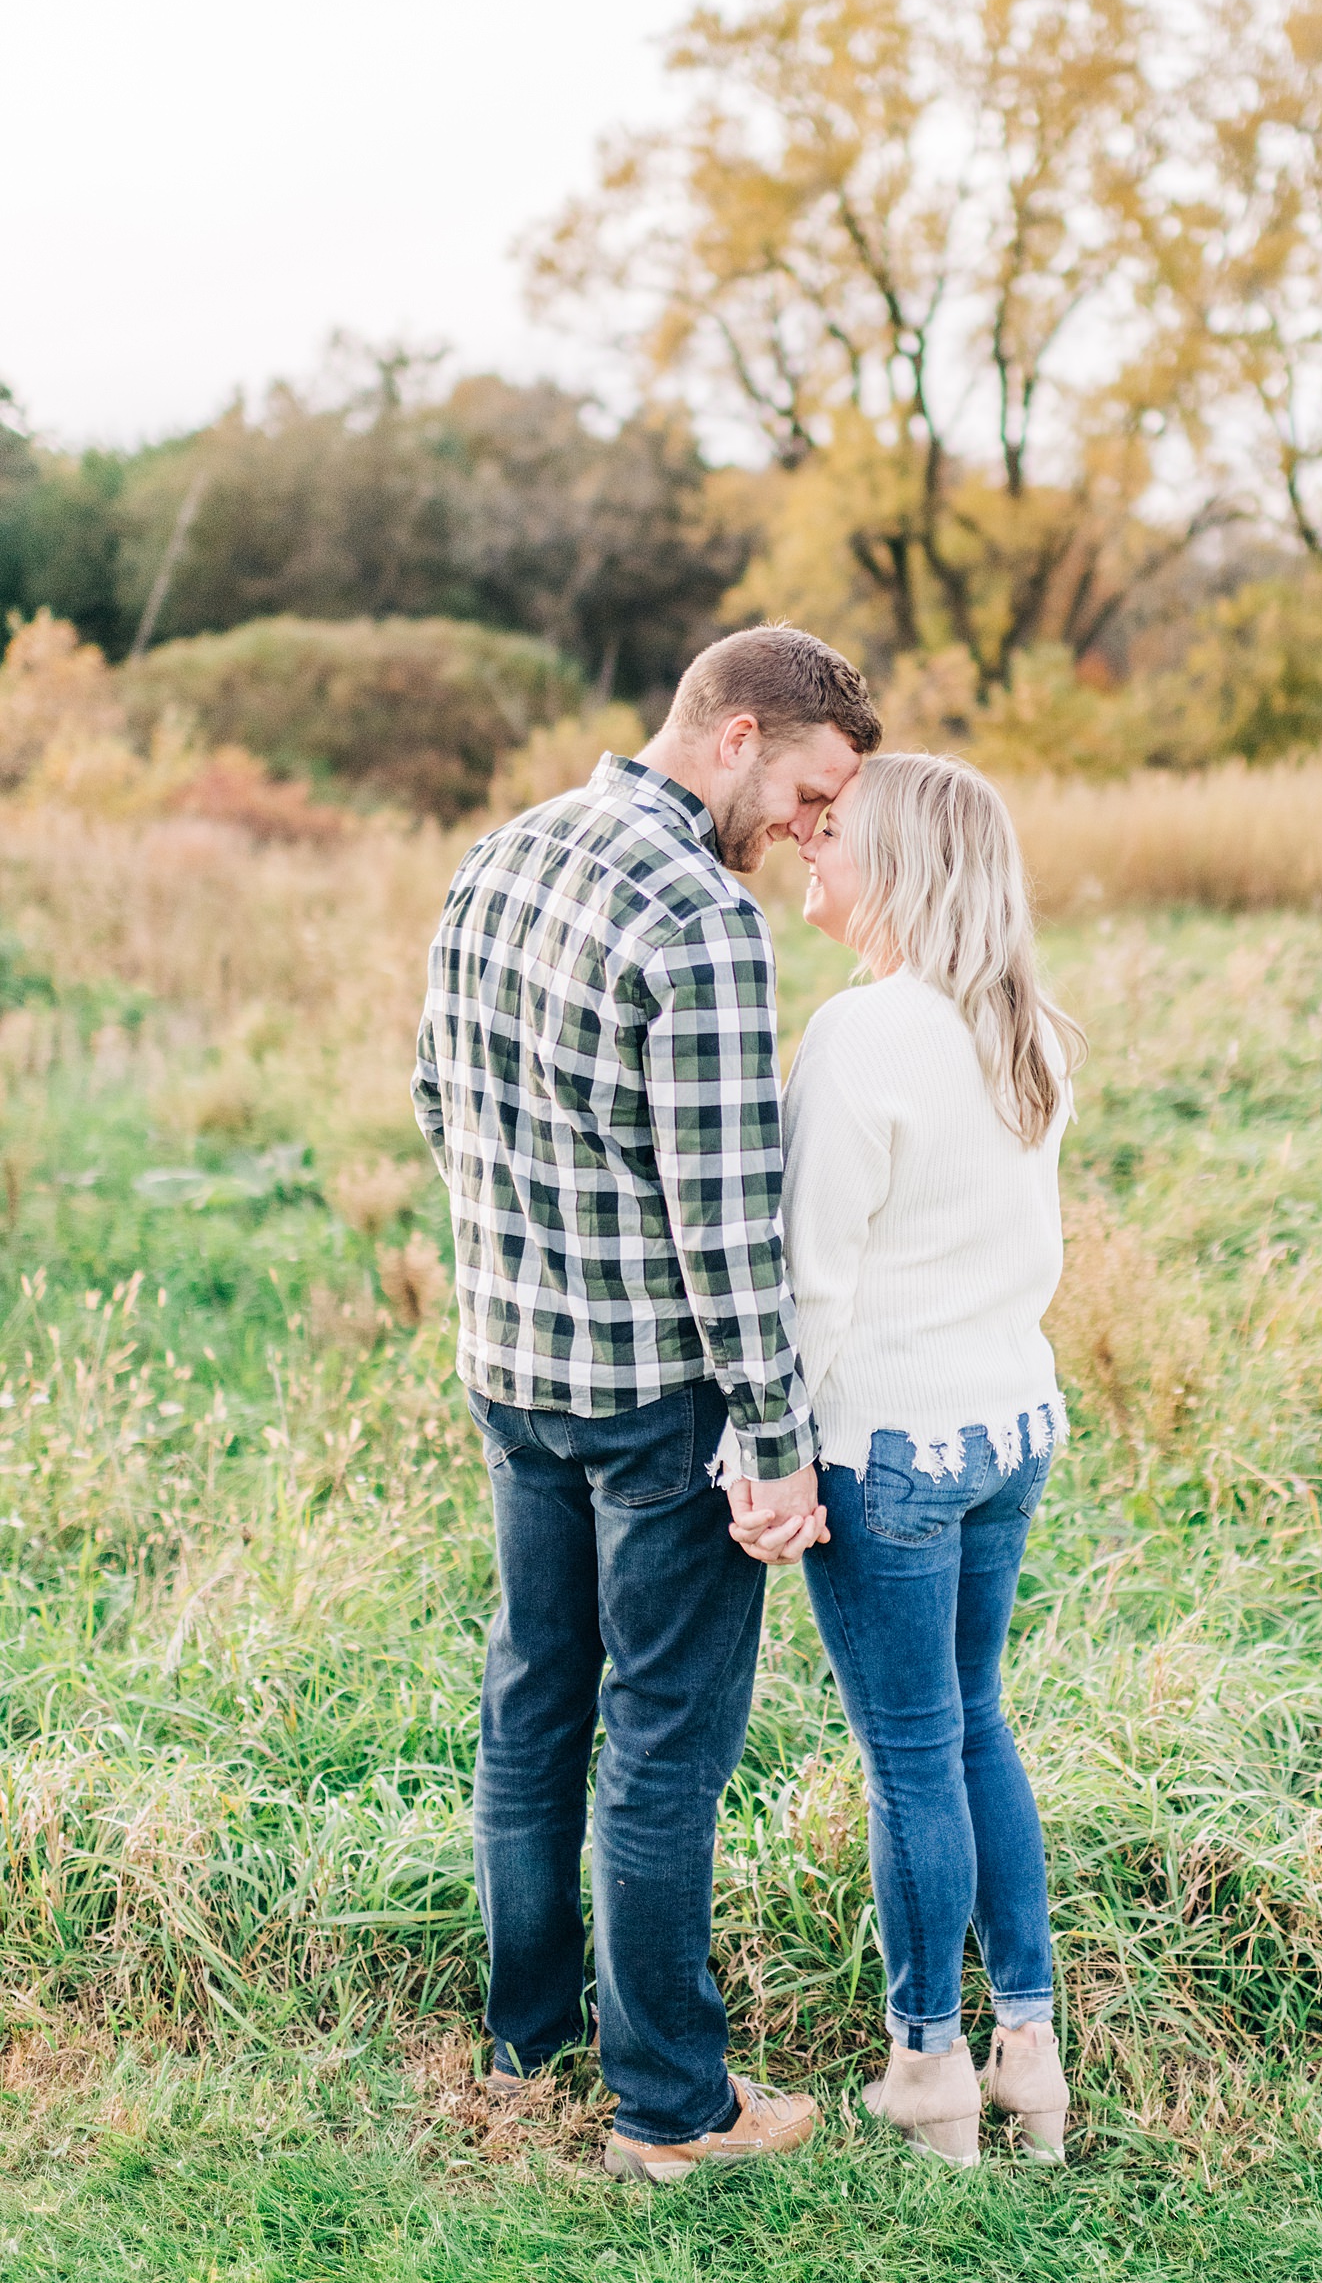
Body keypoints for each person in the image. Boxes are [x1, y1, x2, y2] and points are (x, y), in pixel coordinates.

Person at [412, 625, 880, 2186]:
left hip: (510, 1372)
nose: (813, 830)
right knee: (664, 1744)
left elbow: (437, 1095)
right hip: (651, 1404)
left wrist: (520, 1258)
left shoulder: (506, 850)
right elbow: (726, 1223)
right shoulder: (700, 916)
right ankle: (673, 2104)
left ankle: (527, 2037)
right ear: (737, 734)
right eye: (812, 793)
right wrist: (775, 1443)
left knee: (534, 1698)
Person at [731, 752, 1085, 2166]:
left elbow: (812, 1283)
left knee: (914, 1757)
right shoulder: (1029, 1026)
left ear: (906, 868)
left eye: (839, 836)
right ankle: (1033, 2057)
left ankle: (928, 2069)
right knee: (976, 1721)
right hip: (1009, 1426)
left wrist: (773, 1456)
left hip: (890, 1448)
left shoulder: (864, 1035)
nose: (813, 847)